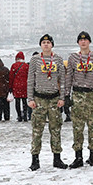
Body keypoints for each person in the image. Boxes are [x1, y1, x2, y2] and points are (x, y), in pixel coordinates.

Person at [27, 34, 67, 170]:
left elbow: (62, 79)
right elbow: (30, 80)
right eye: (43, 42)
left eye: (48, 42)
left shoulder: (58, 59)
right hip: (39, 99)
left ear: (52, 45)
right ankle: (35, 160)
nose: (46, 44)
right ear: (40, 45)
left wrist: (62, 98)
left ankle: (57, 158)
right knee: (37, 130)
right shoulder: (35, 60)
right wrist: (30, 99)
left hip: (54, 99)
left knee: (55, 129)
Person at [66, 31, 93, 168]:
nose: (83, 42)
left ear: (89, 42)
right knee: (78, 128)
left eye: (86, 40)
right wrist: (66, 96)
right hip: (78, 95)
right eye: (81, 40)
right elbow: (69, 77)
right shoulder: (73, 58)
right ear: (78, 42)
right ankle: (78, 157)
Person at [9, 51, 31, 122]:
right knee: (24, 101)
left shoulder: (14, 66)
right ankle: (25, 116)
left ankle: (19, 116)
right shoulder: (26, 66)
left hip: (16, 86)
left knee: (17, 101)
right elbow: (29, 77)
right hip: (25, 85)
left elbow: (11, 77)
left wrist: (10, 87)